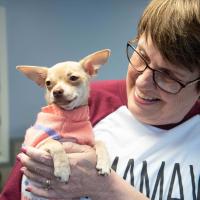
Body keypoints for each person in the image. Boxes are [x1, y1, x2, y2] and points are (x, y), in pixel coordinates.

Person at [1, 0, 200, 199]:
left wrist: (108, 188)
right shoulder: (86, 102)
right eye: (142, 56)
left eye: (167, 75)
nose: (142, 82)